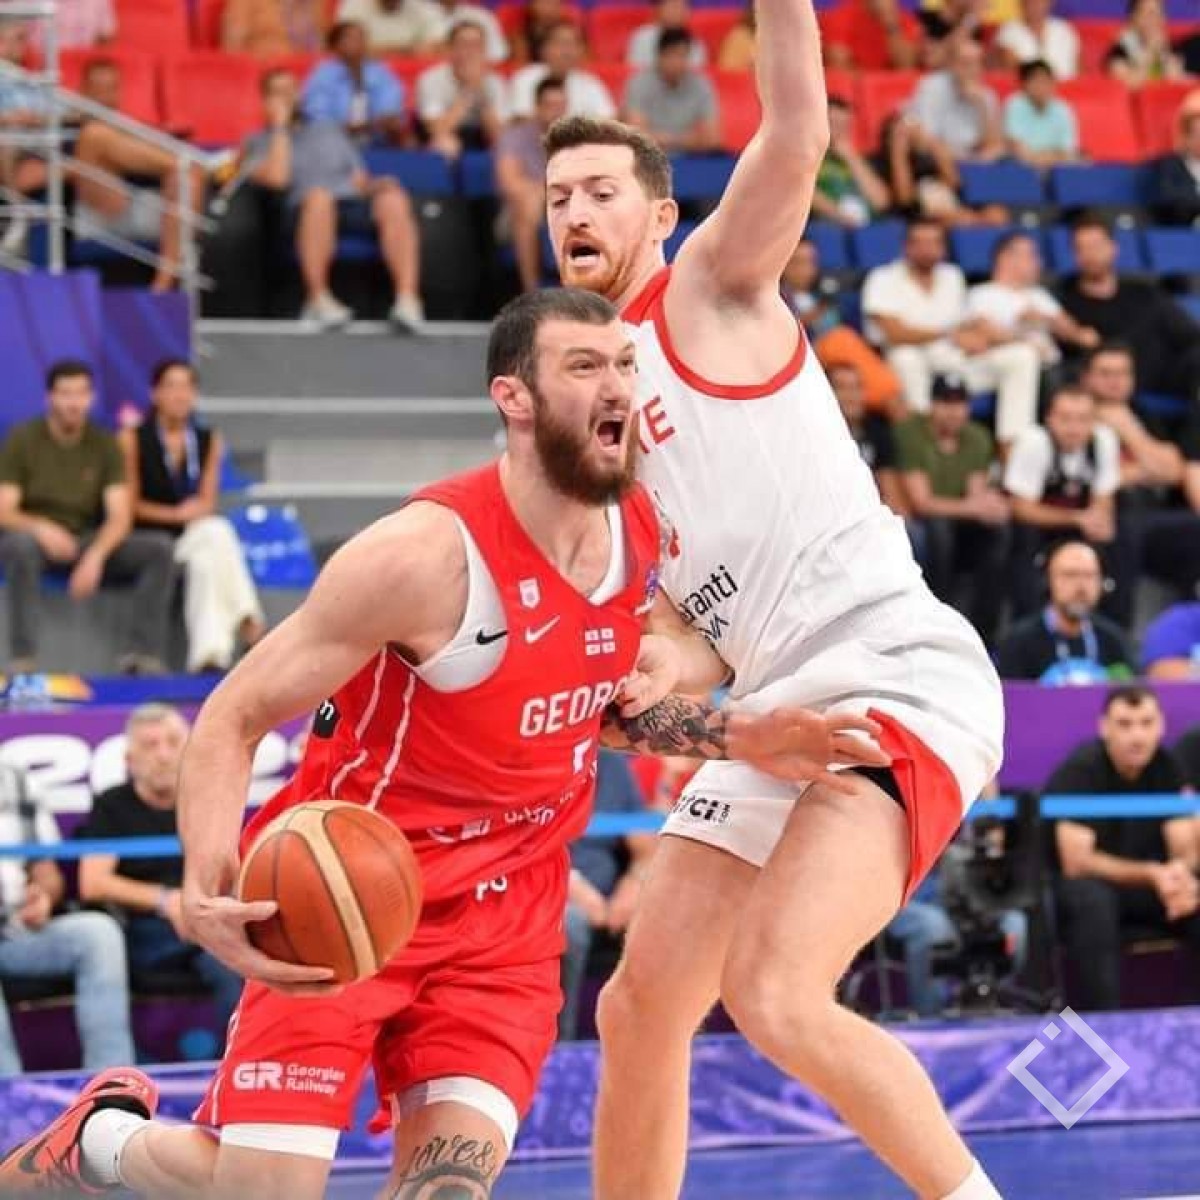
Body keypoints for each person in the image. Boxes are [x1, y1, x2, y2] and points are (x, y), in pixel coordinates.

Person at [0, 289, 866, 1199]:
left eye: (624, 364)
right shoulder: (420, 559)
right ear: (514, 397)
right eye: (584, 366)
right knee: (259, 1191)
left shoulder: (644, 530)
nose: (617, 386)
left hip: (506, 920)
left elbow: (592, 703)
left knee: (445, 1189)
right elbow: (232, 717)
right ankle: (101, 1141)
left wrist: (742, 732)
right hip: (354, 891)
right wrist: (207, 880)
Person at [543, 0, 1006, 1192]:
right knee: (640, 1003)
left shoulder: (707, 286)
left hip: (891, 668)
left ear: (660, 215)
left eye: (599, 191)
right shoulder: (600, 440)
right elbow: (692, 633)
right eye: (557, 199)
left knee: (775, 990)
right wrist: (652, 672)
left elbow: (797, 130)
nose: (575, 213)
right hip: (777, 703)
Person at [77, 705, 245, 1047]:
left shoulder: (211, 801)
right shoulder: (112, 805)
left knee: (234, 955)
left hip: (207, 918)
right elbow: (92, 882)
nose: (163, 755)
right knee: (224, 952)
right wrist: (166, 901)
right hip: (144, 929)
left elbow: (236, 866)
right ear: (129, 759)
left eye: (173, 742)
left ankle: (247, 1060)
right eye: (150, 745)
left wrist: (205, 905)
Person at [0, 359, 174, 675]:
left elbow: (120, 516)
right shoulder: (22, 440)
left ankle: (142, 654)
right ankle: (23, 658)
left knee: (159, 549)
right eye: (66, 394)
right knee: (19, 546)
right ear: (50, 398)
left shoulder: (104, 444)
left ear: (91, 398)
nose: (74, 403)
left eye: (81, 394)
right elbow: (5, 510)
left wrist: (95, 555)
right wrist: (42, 528)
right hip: (36, 539)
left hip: (85, 538)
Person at [1051, 685, 1200, 1011]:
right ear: (1104, 727)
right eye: (1125, 724)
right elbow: (1076, 862)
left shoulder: (1168, 767)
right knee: (1093, 901)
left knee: (1194, 892)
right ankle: (1106, 1023)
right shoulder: (1082, 770)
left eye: (1146, 723)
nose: (1137, 736)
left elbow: (1185, 847)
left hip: (1149, 887)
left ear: (1161, 726)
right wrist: (1153, 874)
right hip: (1088, 887)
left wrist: (1179, 876)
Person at [119, 360, 266, 674]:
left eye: (187, 387)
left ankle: (210, 658)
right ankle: (249, 622)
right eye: (171, 386)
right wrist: (175, 514)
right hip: (149, 539)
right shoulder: (132, 438)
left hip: (192, 536)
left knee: (207, 557)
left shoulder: (208, 439)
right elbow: (129, 505)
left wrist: (190, 514)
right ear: (155, 393)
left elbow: (207, 501)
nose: (180, 395)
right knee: (217, 532)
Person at [248, 67, 423, 330]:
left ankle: (408, 300)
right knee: (320, 197)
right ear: (266, 100)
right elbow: (278, 179)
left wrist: (376, 185)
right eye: (279, 93)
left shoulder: (329, 130)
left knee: (393, 198)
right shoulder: (258, 141)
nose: (287, 98)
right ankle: (317, 300)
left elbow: (358, 179)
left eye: (291, 90)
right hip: (302, 210)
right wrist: (280, 128)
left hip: (351, 202)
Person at [0, 762, 135, 1076]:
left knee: (98, 933)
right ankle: (7, 1095)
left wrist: (43, 897)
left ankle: (108, 1086)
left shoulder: (15, 781)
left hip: (16, 929)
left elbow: (46, 872)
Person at [863, 217, 1040, 448]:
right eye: (919, 242)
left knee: (1021, 356)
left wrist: (978, 339)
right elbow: (894, 333)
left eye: (934, 242)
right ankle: (924, 446)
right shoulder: (883, 277)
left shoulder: (952, 276)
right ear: (906, 246)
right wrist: (947, 334)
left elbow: (963, 322)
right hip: (909, 359)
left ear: (943, 248)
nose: (927, 249)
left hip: (953, 357)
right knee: (905, 357)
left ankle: (1012, 446)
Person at [894, 373, 1010, 645]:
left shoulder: (977, 436)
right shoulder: (910, 433)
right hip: (921, 520)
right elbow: (922, 502)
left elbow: (976, 494)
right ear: (932, 405)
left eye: (959, 403)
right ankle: (937, 611)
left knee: (998, 531)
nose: (953, 411)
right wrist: (973, 507)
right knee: (938, 530)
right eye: (945, 403)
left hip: (959, 517)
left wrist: (990, 507)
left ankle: (987, 630)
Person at [1003, 383, 1121, 620]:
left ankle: (1113, 623)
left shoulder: (1104, 440)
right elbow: (1020, 508)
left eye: (1083, 420)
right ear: (1050, 419)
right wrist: (1077, 518)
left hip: (1080, 523)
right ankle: (1025, 620)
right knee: (1022, 538)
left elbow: (1104, 495)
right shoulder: (1034, 442)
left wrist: (1100, 520)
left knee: (1121, 536)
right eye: (1066, 419)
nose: (1074, 428)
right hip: (1038, 526)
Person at [560, 750, 655, 1040]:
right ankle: (559, 1051)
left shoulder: (612, 765)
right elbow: (523, 845)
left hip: (609, 899)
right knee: (569, 925)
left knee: (670, 921)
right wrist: (575, 888)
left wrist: (634, 884)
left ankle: (657, 1047)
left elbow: (645, 850)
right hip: (550, 890)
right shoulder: (534, 764)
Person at [993, 539, 1133, 682]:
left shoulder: (1114, 640)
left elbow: (1132, 690)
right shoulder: (1019, 642)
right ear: (1048, 580)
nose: (1081, 586)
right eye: (1070, 575)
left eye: (1090, 575)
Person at [494, 75, 568, 293]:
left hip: (565, 206)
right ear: (537, 107)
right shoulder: (514, 137)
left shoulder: (575, 140)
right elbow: (509, 183)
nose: (556, 112)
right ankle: (532, 290)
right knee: (529, 201)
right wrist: (546, 192)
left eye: (560, 106)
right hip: (514, 213)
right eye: (549, 106)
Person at [301, 20, 407, 144]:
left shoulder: (380, 72)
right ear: (335, 45)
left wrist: (383, 122)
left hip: (378, 142)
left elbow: (391, 110)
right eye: (349, 38)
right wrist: (351, 128)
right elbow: (317, 117)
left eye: (360, 38)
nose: (357, 43)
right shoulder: (322, 75)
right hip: (333, 143)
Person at [414, 19, 508, 159]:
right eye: (464, 44)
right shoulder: (431, 79)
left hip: (481, 136)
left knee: (508, 149)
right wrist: (469, 90)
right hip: (443, 136)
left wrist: (481, 93)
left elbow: (499, 135)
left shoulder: (495, 82)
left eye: (477, 45)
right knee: (446, 145)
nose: (471, 52)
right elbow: (436, 130)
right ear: (450, 49)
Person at [621, 29, 720, 155]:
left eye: (682, 56)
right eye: (672, 55)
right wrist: (685, 140)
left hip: (691, 158)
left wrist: (662, 138)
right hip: (649, 157)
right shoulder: (639, 83)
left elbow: (713, 138)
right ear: (659, 56)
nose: (677, 62)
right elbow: (637, 136)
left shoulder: (701, 84)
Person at [1002, 60, 1079, 167]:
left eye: (1046, 81)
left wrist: (1045, 159)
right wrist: (1041, 159)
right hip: (1021, 167)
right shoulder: (1014, 104)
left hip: (1055, 167)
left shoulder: (1063, 109)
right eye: (1036, 81)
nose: (1041, 87)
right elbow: (1016, 147)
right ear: (1024, 84)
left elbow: (1067, 152)